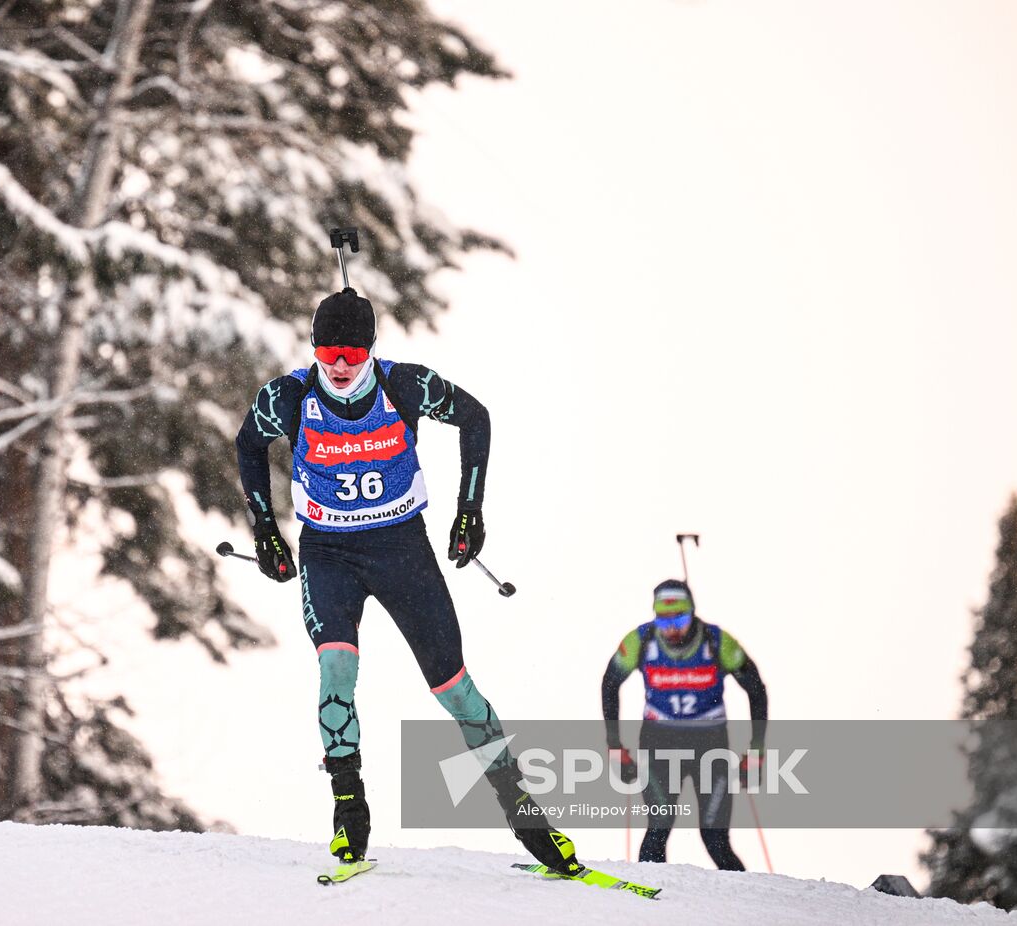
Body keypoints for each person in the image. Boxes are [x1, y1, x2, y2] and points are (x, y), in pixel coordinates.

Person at [235, 286, 582, 874]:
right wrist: (265, 529)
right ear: (313, 348)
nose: (339, 364)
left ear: (370, 349)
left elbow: (475, 417)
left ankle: (523, 812)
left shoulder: (404, 385)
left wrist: (470, 510)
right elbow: (248, 443)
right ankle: (349, 809)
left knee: (454, 688)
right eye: (327, 351)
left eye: (352, 352)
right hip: (328, 553)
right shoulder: (289, 395)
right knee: (336, 665)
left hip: (402, 550)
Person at [600, 579, 768, 870]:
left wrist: (756, 751)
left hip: (710, 746)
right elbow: (610, 683)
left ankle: (747, 898)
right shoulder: (641, 640)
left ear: (692, 612)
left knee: (715, 839)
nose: (672, 629)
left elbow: (756, 689)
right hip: (659, 744)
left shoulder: (717, 641)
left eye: (679, 619)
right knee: (659, 825)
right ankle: (651, 895)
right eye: (664, 621)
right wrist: (614, 745)